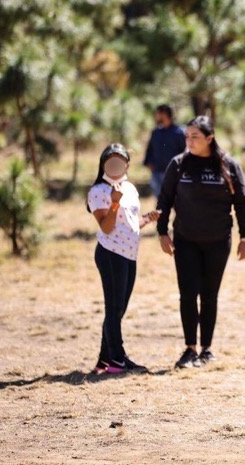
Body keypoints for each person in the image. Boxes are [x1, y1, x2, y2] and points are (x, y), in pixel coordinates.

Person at [156, 116, 245, 368]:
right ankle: (189, 349)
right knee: (188, 294)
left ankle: (206, 349)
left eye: (195, 137)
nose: (189, 141)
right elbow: (164, 199)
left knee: (210, 295)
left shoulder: (228, 165)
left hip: (218, 241)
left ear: (209, 138)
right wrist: (162, 231)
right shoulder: (179, 164)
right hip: (185, 239)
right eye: (187, 136)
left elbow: (241, 202)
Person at [87, 143, 161, 374]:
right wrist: (114, 202)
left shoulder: (129, 188)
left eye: (120, 161)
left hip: (129, 254)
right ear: (103, 164)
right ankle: (118, 360)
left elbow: (130, 222)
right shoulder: (98, 191)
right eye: (110, 161)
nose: (115, 165)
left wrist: (148, 218)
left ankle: (105, 359)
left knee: (119, 308)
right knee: (114, 307)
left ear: (127, 165)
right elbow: (107, 227)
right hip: (110, 253)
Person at [144, 105, 186, 197]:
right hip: (157, 172)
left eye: (157, 114)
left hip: (174, 173)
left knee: (175, 199)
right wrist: (148, 163)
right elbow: (150, 149)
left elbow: (185, 152)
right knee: (159, 199)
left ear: (164, 114)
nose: (155, 116)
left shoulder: (179, 132)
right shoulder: (156, 132)